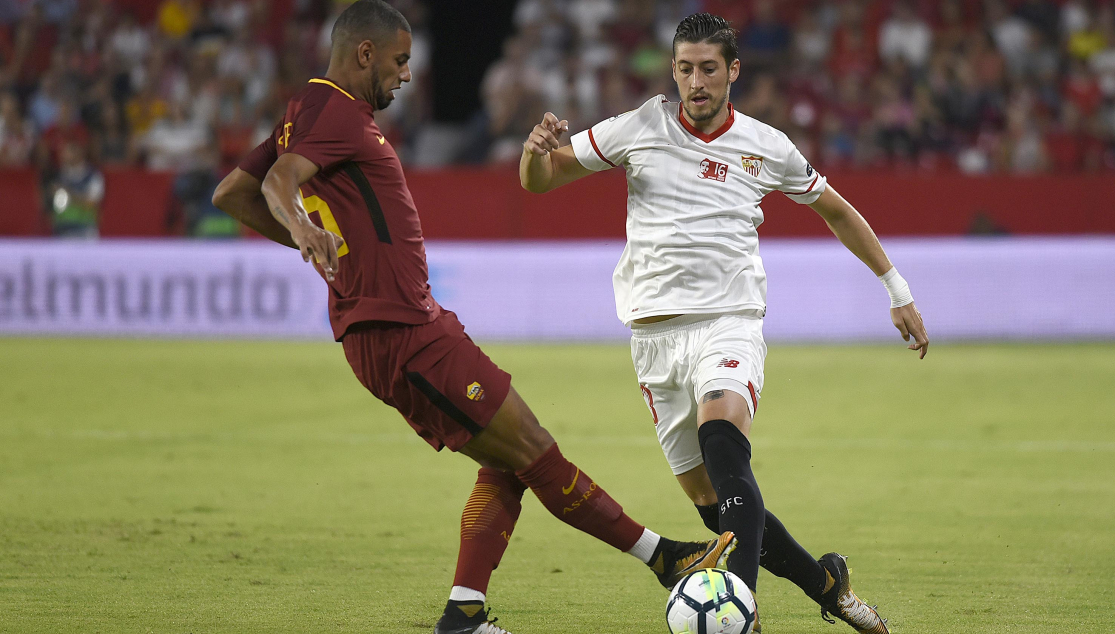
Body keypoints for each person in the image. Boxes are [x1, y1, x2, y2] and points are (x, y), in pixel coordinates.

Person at [210, 3, 736, 634]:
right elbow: (274, 186)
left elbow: (232, 193)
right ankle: (665, 558)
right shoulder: (332, 111)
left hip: (405, 321)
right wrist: (304, 230)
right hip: (400, 330)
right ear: (365, 53)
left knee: (507, 458)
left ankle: (465, 612)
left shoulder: (307, 112)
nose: (406, 76)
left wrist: (330, 244)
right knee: (534, 450)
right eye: (401, 60)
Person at [520, 12, 931, 634]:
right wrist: (532, 156)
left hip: (728, 322)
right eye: (684, 68)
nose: (695, 82)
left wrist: (896, 289)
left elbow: (837, 211)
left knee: (724, 441)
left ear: (733, 71)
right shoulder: (639, 127)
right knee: (716, 506)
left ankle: (740, 604)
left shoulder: (766, 145)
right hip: (654, 340)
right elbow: (542, 182)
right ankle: (827, 584)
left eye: (708, 69)